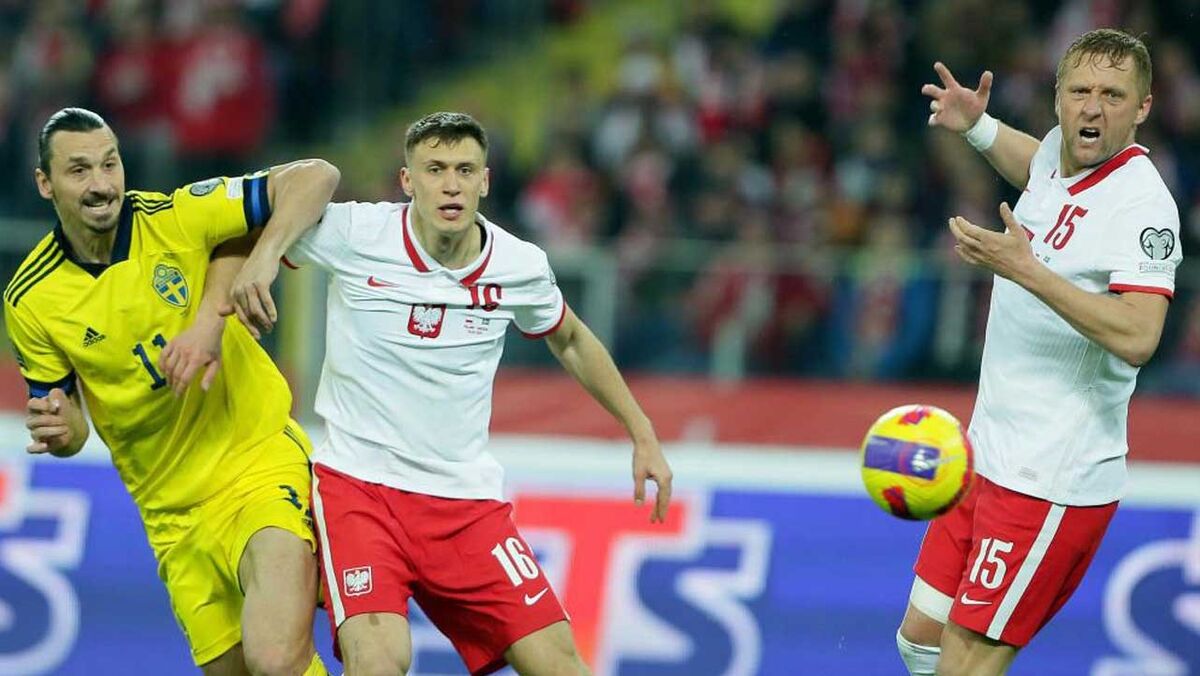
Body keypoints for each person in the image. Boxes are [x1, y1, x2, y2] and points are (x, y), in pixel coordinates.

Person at [226, 111, 674, 675]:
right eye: (434, 169)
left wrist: (642, 432)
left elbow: (571, 339)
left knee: (559, 664)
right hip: (360, 491)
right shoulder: (354, 233)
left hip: (465, 503)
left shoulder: (519, 265)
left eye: (465, 170)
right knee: (380, 660)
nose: (451, 185)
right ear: (407, 180)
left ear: (485, 181)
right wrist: (261, 262)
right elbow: (235, 227)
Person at [4, 107, 340, 675]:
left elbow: (317, 177)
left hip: (256, 464)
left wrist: (255, 268)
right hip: (171, 515)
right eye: (79, 170)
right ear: (45, 183)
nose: (101, 184)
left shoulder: (177, 217)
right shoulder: (30, 299)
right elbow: (70, 423)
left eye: (110, 164)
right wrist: (62, 432)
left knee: (275, 658)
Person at [897, 29, 1182, 676]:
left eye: (1113, 95)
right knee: (920, 641)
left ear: (1142, 107)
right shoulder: (1059, 150)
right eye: (1079, 91)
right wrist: (978, 128)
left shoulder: (1144, 207)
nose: (1092, 107)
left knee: (964, 666)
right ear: (1057, 97)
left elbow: (1140, 336)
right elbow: (1039, 171)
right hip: (986, 452)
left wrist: (1029, 272)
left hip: (1049, 479)